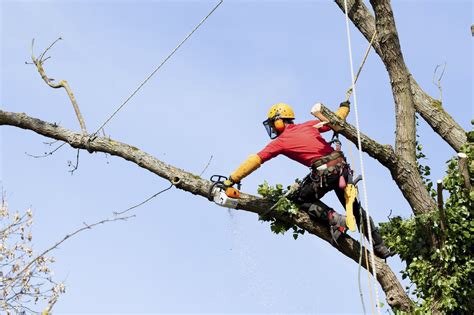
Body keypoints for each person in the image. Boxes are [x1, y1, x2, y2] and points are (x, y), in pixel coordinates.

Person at [226, 102, 392, 259]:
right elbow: (336, 118)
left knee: (299, 199)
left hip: (325, 173)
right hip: (342, 170)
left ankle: (335, 219)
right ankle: (380, 246)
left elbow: (256, 159)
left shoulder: (281, 142)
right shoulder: (309, 125)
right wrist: (344, 107)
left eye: (273, 124)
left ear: (279, 122)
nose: (273, 129)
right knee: (355, 210)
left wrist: (232, 179)